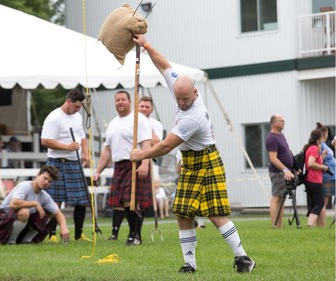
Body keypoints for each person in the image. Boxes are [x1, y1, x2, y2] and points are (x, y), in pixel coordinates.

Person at [130, 34, 255, 274]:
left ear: (195, 93)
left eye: (185, 99)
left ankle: (243, 258)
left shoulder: (193, 117)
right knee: (183, 213)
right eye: (177, 98)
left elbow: (166, 145)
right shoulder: (179, 85)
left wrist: (141, 155)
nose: (181, 103)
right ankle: (190, 264)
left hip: (207, 161)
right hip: (190, 162)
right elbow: (164, 66)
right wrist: (146, 45)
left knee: (215, 214)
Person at [94, 90, 152, 245]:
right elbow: (107, 151)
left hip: (135, 163)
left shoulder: (139, 119)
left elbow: (147, 143)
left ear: (129, 101)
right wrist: (97, 171)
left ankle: (135, 235)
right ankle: (134, 235)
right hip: (119, 165)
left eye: (123, 99)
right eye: (117, 100)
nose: (119, 102)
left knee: (129, 200)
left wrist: (145, 163)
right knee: (122, 201)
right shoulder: (113, 123)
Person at [41, 88, 91, 242]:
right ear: (68, 101)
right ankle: (52, 235)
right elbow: (45, 141)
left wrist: (85, 153)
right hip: (57, 162)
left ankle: (79, 234)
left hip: (74, 162)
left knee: (82, 200)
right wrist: (67, 147)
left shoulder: (77, 117)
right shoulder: (54, 117)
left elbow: (82, 136)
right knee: (54, 200)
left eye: (79, 107)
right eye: (76, 106)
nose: (77, 110)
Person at [0, 165, 70, 244]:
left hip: (19, 226)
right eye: (45, 178)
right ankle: (11, 242)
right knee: (24, 212)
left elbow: (58, 213)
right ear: (38, 175)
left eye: (49, 181)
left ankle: (26, 241)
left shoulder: (44, 196)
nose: (46, 182)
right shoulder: (25, 186)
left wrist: (63, 227)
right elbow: (13, 204)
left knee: (49, 212)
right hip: (3, 224)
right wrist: (34, 203)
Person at [265, 114, 299, 228]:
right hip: (278, 172)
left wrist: (294, 167)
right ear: (274, 123)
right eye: (281, 121)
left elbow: (287, 152)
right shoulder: (272, 138)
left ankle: (280, 225)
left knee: (282, 198)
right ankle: (275, 225)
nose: (284, 122)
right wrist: (285, 169)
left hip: (286, 171)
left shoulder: (281, 135)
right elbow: (273, 158)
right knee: (276, 197)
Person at [303, 129, 330, 227]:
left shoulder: (309, 148)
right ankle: (310, 224)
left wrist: (321, 156)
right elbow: (311, 163)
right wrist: (323, 167)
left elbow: (313, 161)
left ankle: (313, 225)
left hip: (309, 180)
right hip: (314, 179)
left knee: (314, 204)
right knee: (319, 203)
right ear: (319, 138)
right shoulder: (314, 148)